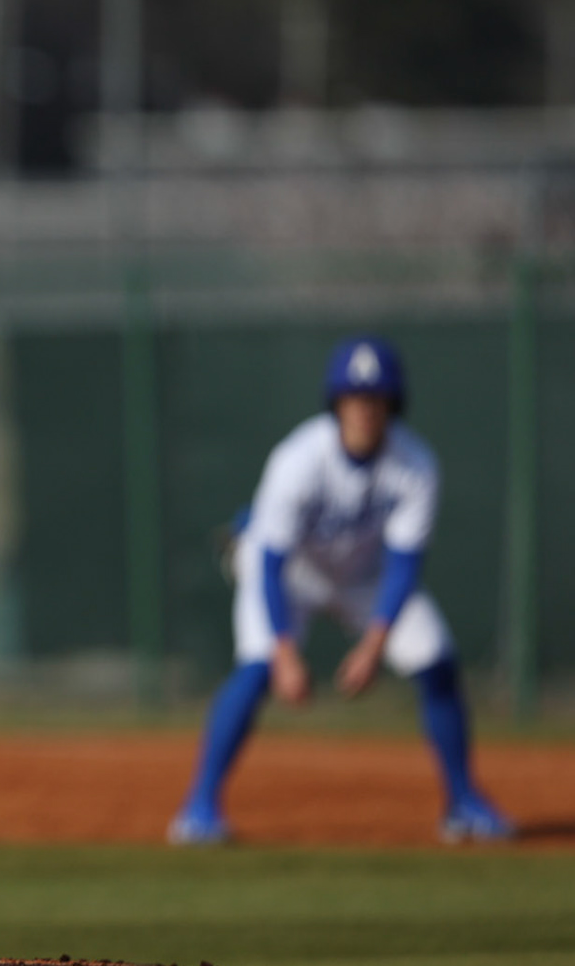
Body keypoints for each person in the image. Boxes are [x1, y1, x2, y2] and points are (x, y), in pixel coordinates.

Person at [168, 336, 513, 846]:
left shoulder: (415, 465)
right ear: (336, 403)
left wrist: (375, 646)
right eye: (354, 397)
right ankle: (198, 808)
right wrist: (285, 651)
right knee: (258, 668)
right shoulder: (299, 459)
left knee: (437, 660)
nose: (365, 410)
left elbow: (404, 563)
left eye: (376, 398)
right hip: (291, 574)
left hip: (365, 578)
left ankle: (461, 802)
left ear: (394, 404)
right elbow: (269, 560)